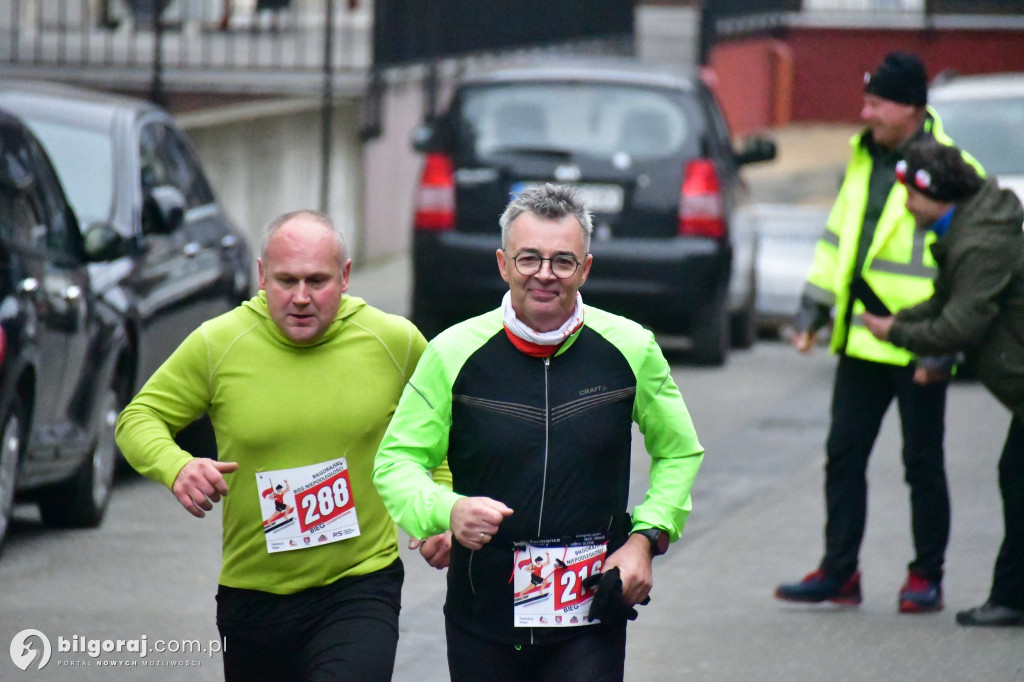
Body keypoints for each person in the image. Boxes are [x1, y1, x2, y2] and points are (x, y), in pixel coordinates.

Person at [373, 184, 704, 682]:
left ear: (586, 268)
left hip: (588, 614)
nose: (544, 275)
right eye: (529, 259)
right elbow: (396, 461)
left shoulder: (631, 348)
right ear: (503, 263)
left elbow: (679, 452)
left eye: (562, 261)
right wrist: (446, 510)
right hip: (481, 616)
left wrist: (646, 538)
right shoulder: (451, 352)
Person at [116, 210, 448, 680]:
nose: (300, 298)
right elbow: (137, 418)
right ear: (261, 276)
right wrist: (177, 466)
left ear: (347, 276)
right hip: (253, 595)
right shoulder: (220, 343)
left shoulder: (393, 341)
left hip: (358, 587)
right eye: (285, 280)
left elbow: (439, 432)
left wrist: (438, 509)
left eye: (317, 281)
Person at [775, 51, 981, 613]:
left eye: (876, 102)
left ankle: (926, 577)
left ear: (911, 107)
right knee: (843, 456)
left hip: (921, 342)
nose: (864, 111)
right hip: (862, 339)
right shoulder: (863, 157)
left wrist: (948, 344)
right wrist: (811, 313)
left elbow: (972, 263)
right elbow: (837, 241)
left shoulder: (950, 167)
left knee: (922, 463)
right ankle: (840, 571)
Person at [862, 139, 1024, 627]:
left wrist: (899, 333)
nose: (906, 205)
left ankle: (1012, 598)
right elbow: (947, 303)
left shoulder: (979, 242)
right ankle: (1012, 596)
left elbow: (960, 324)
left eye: (910, 194)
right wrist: (905, 325)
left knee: (1017, 479)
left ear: (935, 193)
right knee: (1015, 477)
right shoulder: (970, 231)